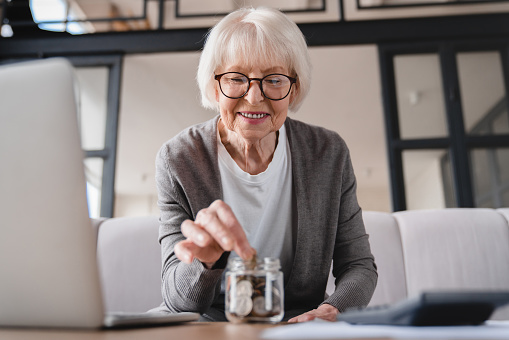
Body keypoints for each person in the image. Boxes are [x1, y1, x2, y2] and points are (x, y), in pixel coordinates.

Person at [155, 6, 377, 323]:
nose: (255, 97)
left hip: (300, 322)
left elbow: (358, 265)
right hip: (211, 321)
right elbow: (177, 300)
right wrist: (205, 263)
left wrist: (333, 309)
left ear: (294, 88)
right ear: (215, 86)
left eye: (274, 79)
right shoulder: (178, 158)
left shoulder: (328, 153)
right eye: (236, 78)